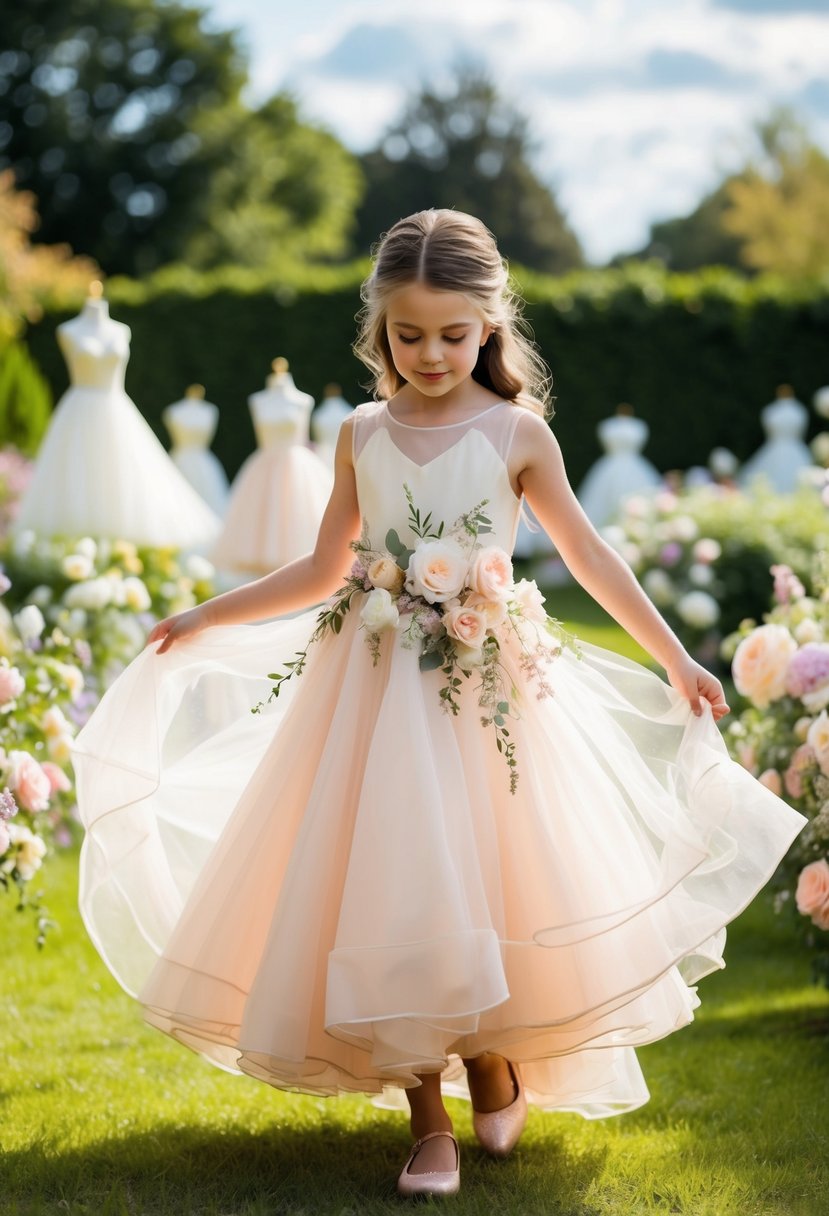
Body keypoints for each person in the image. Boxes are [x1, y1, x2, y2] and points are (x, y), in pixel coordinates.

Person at [72, 211, 805, 1199]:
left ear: (489, 328)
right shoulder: (360, 434)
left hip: (489, 696)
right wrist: (207, 612)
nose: (428, 353)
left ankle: (492, 1059)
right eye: (407, 334)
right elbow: (325, 564)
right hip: (371, 694)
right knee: (391, 880)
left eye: (451, 335)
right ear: (380, 327)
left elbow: (587, 553)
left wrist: (675, 657)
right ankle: (427, 1122)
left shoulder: (515, 432)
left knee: (492, 877)